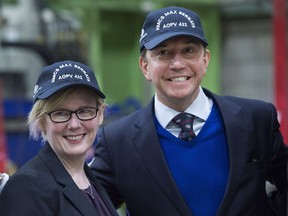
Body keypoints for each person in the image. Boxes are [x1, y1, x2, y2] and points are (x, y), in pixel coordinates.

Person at [90, 6, 288, 216]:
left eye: (189, 50)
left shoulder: (255, 120)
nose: (177, 64)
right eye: (163, 53)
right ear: (145, 66)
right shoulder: (117, 142)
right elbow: (85, 206)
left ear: (205, 60)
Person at [0, 60, 119, 216]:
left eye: (85, 111)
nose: (75, 124)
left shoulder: (90, 181)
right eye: (61, 113)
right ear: (42, 121)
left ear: (100, 114)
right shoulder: (26, 188)